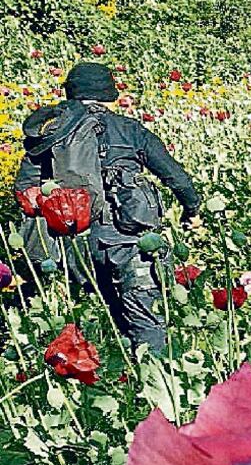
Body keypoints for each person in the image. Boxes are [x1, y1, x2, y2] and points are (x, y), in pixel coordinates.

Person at [14, 62, 201, 353]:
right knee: (146, 326)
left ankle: (120, 381)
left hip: (78, 246)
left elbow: (25, 191)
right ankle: (155, 389)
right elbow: (176, 177)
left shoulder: (50, 134)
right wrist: (193, 211)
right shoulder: (129, 129)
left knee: (110, 323)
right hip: (130, 241)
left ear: (71, 94)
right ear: (107, 92)